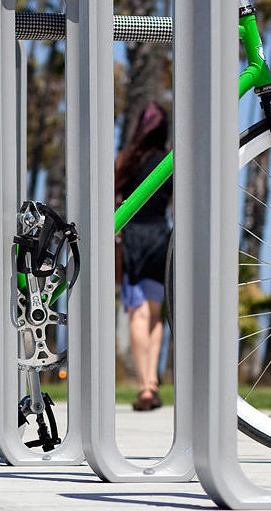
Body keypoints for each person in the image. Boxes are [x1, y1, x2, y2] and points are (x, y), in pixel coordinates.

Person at [114, 101, 172, 411]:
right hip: (160, 237)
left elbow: (113, 198)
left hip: (133, 238)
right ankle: (152, 383)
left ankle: (144, 386)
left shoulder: (126, 159)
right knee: (154, 313)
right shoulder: (169, 161)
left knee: (138, 313)